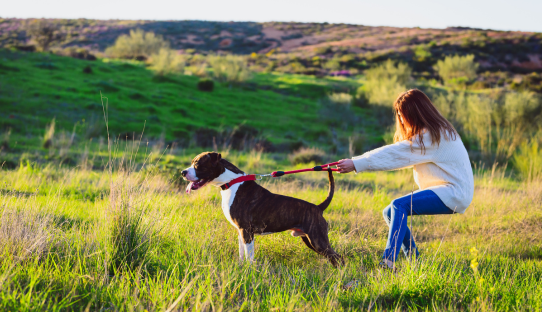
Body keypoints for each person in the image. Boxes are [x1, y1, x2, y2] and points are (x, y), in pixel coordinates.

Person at [336, 89, 474, 270]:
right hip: (449, 189)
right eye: (399, 116)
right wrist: (356, 163)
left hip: (454, 192)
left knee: (398, 205)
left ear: (415, 113)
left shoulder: (432, 136)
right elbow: (399, 153)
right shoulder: (436, 132)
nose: (401, 120)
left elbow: (395, 153)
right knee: (389, 212)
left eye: (403, 115)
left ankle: (388, 261)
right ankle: (415, 262)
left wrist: (356, 163)